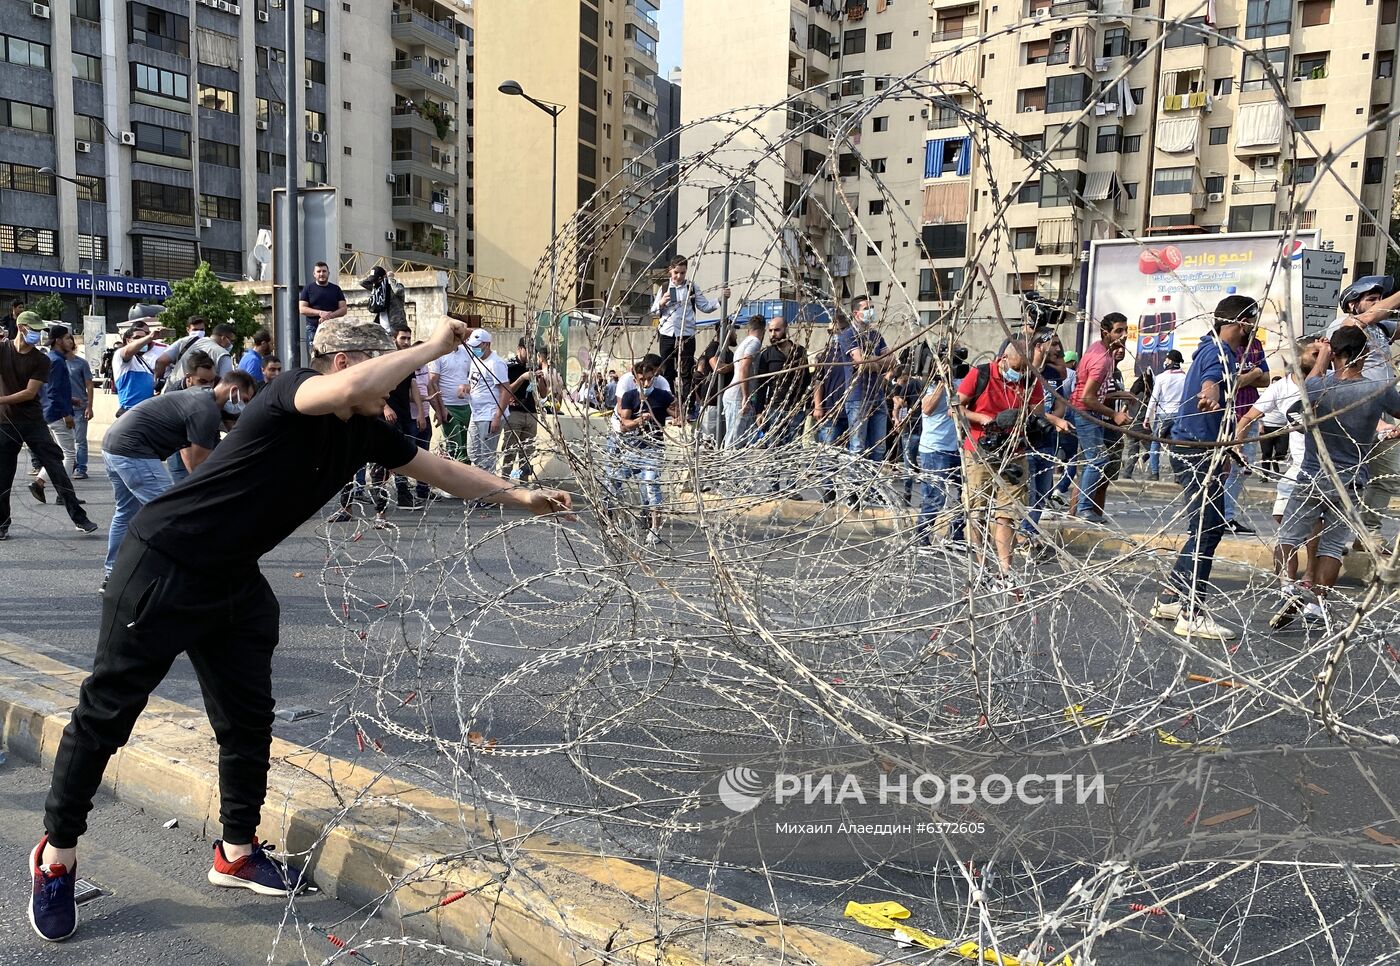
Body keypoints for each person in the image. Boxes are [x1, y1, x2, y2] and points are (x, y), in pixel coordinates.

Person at [29, 318, 572, 943]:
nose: (398, 390)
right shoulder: (293, 391)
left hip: (233, 581)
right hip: (165, 565)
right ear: (345, 364)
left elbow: (443, 472)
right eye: (387, 372)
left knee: (247, 720)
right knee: (106, 716)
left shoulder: (365, 432)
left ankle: (235, 852)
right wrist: (432, 346)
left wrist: (520, 496)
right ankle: (57, 855)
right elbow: (338, 393)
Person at [1271, 326, 1400, 629]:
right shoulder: (1377, 390)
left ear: (1335, 354)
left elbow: (1295, 412)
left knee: (1288, 536)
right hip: (1350, 480)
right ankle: (1317, 605)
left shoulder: (1319, 386)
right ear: (1364, 355)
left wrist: (1321, 360)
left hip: (1312, 475)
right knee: (1331, 547)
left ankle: (1288, 589)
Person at [1149, 294, 1260, 641]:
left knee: (1204, 526)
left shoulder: (1209, 346)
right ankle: (1191, 612)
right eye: (1252, 321)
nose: (1253, 328)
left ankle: (1170, 598)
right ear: (1241, 322)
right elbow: (1210, 380)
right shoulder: (1218, 353)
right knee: (1209, 528)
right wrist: (1210, 394)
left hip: (1200, 448)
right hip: (1196, 451)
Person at [101, 357, 253, 585]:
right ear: (233, 391)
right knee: (170, 513)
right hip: (134, 450)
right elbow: (199, 464)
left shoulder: (201, 397)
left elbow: (191, 453)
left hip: (113, 445)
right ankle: (173, 576)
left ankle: (114, 575)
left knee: (126, 512)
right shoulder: (206, 410)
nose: (244, 406)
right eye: (246, 400)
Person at [957, 339, 1071, 587]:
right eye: (1016, 368)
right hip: (980, 451)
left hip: (1014, 451)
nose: (1018, 374)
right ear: (1004, 359)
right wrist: (984, 419)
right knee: (976, 513)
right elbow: (955, 408)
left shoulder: (1030, 379)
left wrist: (1039, 421)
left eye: (1024, 369)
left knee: (1006, 515)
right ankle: (980, 568)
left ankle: (1005, 572)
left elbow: (1037, 413)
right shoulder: (982, 374)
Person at [1235, 337, 1322, 598]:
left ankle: (1311, 576)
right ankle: (1287, 583)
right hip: (1297, 466)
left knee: (1316, 526)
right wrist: (1237, 444)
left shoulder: (1329, 383)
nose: (1322, 358)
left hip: (1324, 466)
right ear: (1298, 358)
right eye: (1315, 353)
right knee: (1283, 520)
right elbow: (1249, 416)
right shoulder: (1281, 388)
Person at [0, 312, 99, 540]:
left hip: (34, 421)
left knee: (57, 468)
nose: (37, 333)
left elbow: (30, 393)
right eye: (33, 328)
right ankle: (2, 524)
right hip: (5, 422)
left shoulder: (41, 360)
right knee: (3, 476)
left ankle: (80, 518)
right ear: (21, 327)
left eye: (40, 329)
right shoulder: (2, 349)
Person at [1325, 274, 1400, 548]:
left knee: (1388, 477)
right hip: (1354, 411)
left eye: (1380, 298)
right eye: (1371, 299)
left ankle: (1368, 532)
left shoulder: (1380, 328)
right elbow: (1365, 320)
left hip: (1385, 409)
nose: (1379, 303)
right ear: (1352, 304)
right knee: (1348, 478)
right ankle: (1332, 537)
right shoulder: (1345, 326)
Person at [1068, 313, 1131, 522]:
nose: (1124, 335)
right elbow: (1087, 397)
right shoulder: (1102, 360)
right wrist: (1115, 414)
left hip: (1087, 410)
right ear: (1106, 332)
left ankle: (1083, 509)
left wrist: (1116, 395)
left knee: (1092, 461)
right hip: (1085, 411)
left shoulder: (1100, 348)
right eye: (1118, 331)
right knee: (1097, 460)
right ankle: (1085, 509)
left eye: (1125, 330)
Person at [649, 255, 729, 409]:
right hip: (667, 333)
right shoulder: (664, 288)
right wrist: (661, 303)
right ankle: (670, 403)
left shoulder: (691, 287)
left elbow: (705, 306)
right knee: (668, 371)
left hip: (686, 334)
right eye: (676, 273)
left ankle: (687, 404)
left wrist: (720, 299)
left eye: (682, 273)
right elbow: (653, 311)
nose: (679, 276)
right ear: (670, 271)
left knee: (686, 372)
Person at [612, 361, 678, 545]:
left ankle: (655, 529)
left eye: (650, 379)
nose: (647, 384)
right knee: (613, 480)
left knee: (651, 485)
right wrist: (640, 420)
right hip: (633, 449)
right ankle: (622, 520)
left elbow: (677, 413)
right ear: (635, 380)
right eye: (643, 380)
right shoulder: (629, 397)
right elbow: (624, 425)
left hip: (653, 450)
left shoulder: (662, 396)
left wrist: (676, 415)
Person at [752, 316, 811, 491]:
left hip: (795, 409)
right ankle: (774, 486)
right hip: (774, 409)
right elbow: (760, 386)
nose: (773, 334)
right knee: (775, 449)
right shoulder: (767, 355)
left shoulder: (799, 352)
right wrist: (759, 411)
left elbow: (806, 380)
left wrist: (805, 405)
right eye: (770, 331)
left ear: (785, 329)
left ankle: (791, 487)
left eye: (776, 330)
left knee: (793, 449)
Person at [1222, 320, 1270, 533]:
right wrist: (1255, 373)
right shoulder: (1224, 346)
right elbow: (1231, 381)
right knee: (1226, 468)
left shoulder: (1256, 345)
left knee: (1240, 469)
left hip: (1249, 412)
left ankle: (1227, 516)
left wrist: (1251, 376)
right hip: (1227, 415)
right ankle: (1221, 517)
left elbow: (1267, 379)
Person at [917, 369, 965, 545]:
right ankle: (921, 537)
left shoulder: (960, 384)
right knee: (936, 496)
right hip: (934, 449)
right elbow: (927, 408)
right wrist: (942, 383)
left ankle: (956, 536)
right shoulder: (929, 386)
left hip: (957, 448)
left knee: (964, 494)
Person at [31, 325, 78, 503]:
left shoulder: (51, 358)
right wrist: (66, 413)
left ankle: (40, 482)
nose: (70, 341)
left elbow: (50, 389)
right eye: (67, 338)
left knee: (58, 454)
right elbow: (53, 391)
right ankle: (63, 494)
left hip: (50, 411)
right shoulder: (57, 361)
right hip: (57, 413)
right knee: (69, 455)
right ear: (58, 340)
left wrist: (71, 400)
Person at [844, 296, 893, 463]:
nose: (871, 311)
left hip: (877, 394)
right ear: (856, 313)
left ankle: (873, 488)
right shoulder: (848, 335)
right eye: (867, 308)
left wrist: (871, 361)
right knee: (858, 447)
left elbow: (892, 361)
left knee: (879, 448)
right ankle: (855, 488)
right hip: (858, 396)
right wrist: (878, 362)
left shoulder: (876, 335)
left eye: (872, 307)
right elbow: (861, 362)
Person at [465, 328, 509, 477]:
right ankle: (481, 485)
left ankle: (488, 495)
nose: (474, 349)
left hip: (490, 415)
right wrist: (465, 389)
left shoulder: (496, 363)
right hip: (476, 413)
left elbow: (505, 391)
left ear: (486, 344)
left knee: (487, 457)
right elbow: (475, 384)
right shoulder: (475, 360)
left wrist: (497, 416)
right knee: (473, 452)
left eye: (477, 346)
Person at [427, 334, 475, 463]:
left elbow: (475, 377)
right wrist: (440, 409)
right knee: (455, 447)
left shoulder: (466, 352)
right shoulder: (439, 354)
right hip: (449, 407)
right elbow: (433, 382)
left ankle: (465, 476)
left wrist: (467, 386)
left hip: (467, 406)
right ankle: (454, 478)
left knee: (467, 448)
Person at [722, 316, 766, 448]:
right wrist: (746, 397)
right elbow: (744, 367)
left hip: (735, 396)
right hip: (738, 397)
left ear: (749, 329)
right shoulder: (755, 342)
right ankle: (728, 467)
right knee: (734, 441)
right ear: (763, 330)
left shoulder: (745, 341)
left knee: (739, 440)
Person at [112, 308, 165, 415]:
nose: (142, 341)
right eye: (137, 338)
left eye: (144, 337)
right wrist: (149, 337)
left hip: (146, 412)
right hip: (131, 411)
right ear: (128, 340)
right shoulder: (121, 355)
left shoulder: (143, 361)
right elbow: (127, 351)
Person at [503, 338, 543, 481]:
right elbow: (506, 391)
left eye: (534, 350)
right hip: (514, 412)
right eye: (528, 349)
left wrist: (542, 380)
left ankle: (523, 481)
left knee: (528, 452)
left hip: (531, 412)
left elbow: (543, 394)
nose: (531, 353)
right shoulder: (509, 366)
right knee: (510, 450)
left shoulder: (535, 366)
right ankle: (504, 480)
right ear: (520, 348)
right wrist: (522, 378)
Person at [1144, 349, 1187, 481]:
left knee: (1155, 443)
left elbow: (1154, 398)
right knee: (1175, 445)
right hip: (1179, 415)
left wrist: (1147, 417)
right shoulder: (1184, 377)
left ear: (1170, 360)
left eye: (1167, 359)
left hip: (1163, 415)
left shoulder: (1161, 377)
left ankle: (1154, 473)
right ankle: (1178, 475)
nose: (1165, 361)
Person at [64, 332, 95, 480]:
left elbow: (89, 385)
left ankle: (81, 467)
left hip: (80, 407)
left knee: (80, 440)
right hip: (63, 408)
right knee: (66, 440)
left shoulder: (81, 363)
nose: (68, 342)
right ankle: (70, 465)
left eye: (70, 339)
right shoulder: (56, 362)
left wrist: (89, 406)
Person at [297, 260, 348, 347]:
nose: (321, 274)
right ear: (314, 274)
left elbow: (344, 309)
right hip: (313, 328)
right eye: (318, 271)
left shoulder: (336, 289)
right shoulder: (308, 289)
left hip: (333, 328)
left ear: (328, 273)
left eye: (324, 271)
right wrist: (320, 313)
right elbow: (302, 309)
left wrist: (330, 316)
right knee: (315, 356)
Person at [361, 266, 406, 332]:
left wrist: (390, 278)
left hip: (396, 326)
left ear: (381, 278)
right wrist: (372, 275)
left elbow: (398, 290)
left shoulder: (395, 288)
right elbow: (363, 283)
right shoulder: (378, 290)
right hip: (382, 328)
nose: (374, 283)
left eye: (376, 280)